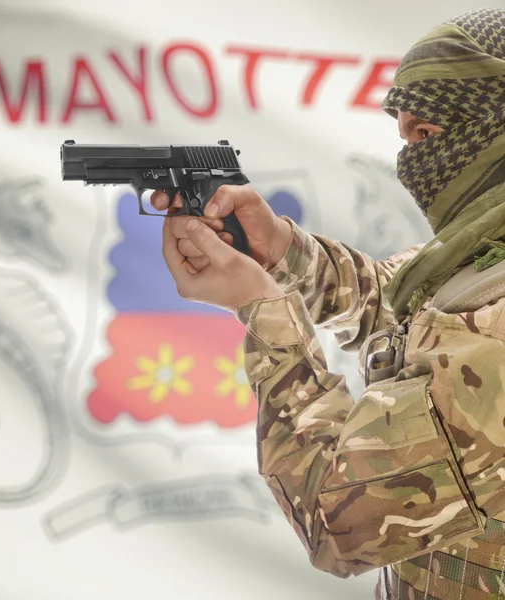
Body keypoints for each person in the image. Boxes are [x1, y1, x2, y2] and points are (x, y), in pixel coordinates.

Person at [151, 8, 505, 599]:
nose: (411, 161)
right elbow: (404, 309)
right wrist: (282, 251)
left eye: (427, 134)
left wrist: (264, 310)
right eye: (404, 136)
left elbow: (338, 523)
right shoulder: (483, 255)